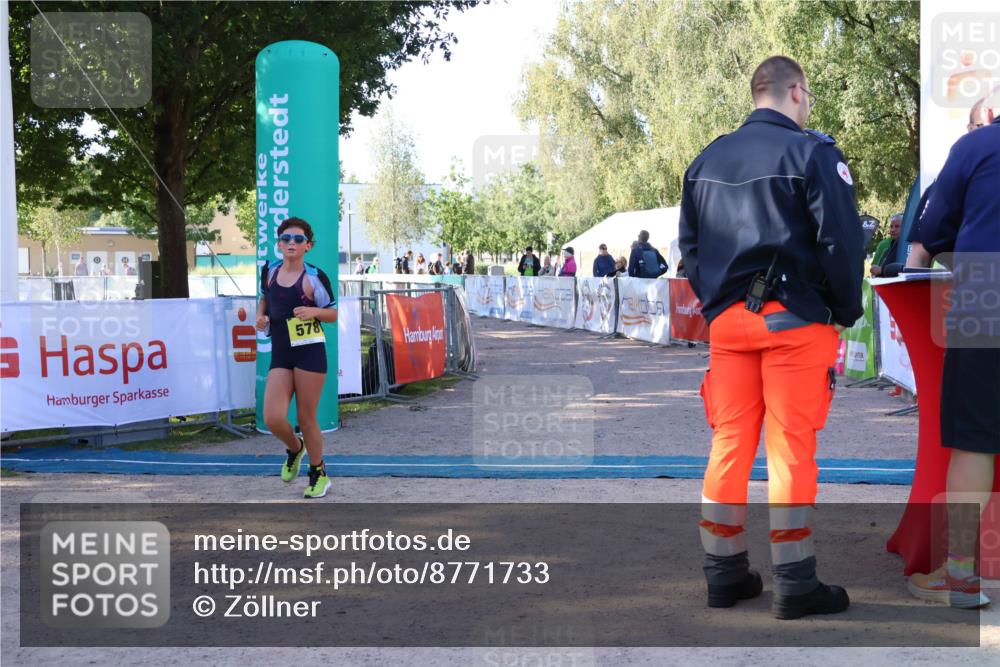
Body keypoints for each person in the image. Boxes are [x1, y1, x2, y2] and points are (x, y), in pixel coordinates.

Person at [678, 55, 863, 619]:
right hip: (794, 322)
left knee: (729, 443)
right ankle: (795, 581)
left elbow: (688, 247)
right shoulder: (814, 153)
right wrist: (842, 310)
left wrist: (719, 302)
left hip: (728, 326)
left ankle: (724, 573)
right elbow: (840, 243)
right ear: (797, 92)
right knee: (790, 449)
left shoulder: (706, 159)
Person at [906, 95, 999, 609]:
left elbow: (928, 238)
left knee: (974, 439)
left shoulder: (976, 146)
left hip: (988, 295)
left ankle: (962, 576)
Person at [256, 217, 338, 499]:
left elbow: (333, 313)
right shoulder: (269, 271)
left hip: (309, 351)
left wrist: (314, 312)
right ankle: (294, 448)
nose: (292, 243)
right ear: (279, 244)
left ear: (308, 246)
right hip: (281, 351)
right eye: (286, 238)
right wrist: (260, 316)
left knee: (306, 416)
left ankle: (319, 473)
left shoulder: (315, 276)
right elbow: (266, 297)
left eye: (298, 239)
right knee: (272, 418)